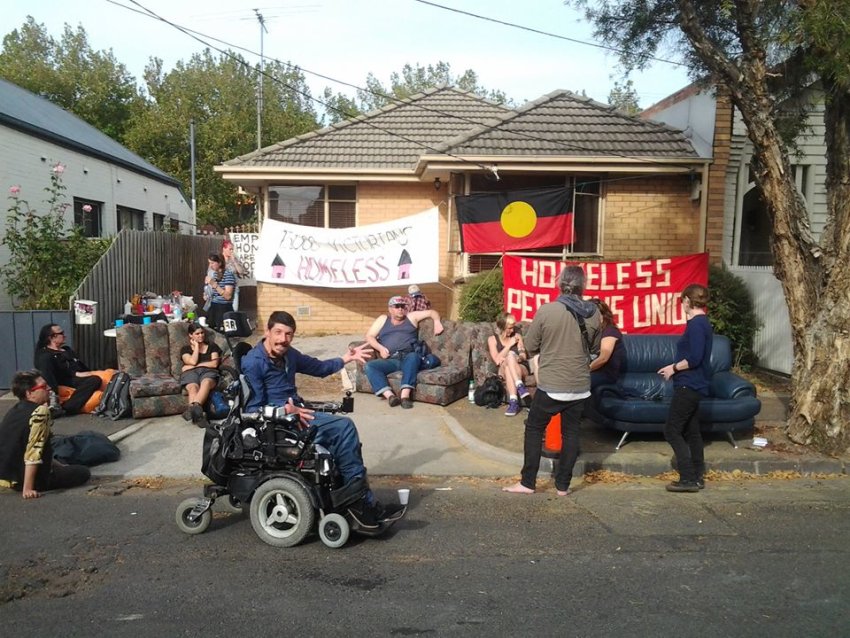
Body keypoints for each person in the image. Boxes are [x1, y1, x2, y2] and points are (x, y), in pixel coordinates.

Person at [240, 311, 401, 526]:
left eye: (288, 334)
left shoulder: (289, 354)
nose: (283, 339)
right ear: (267, 332)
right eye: (278, 332)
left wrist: (346, 358)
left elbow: (318, 368)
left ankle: (354, 499)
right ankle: (360, 503)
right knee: (344, 428)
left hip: (297, 414)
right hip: (278, 425)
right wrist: (286, 411)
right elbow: (252, 409)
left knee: (341, 434)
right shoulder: (253, 362)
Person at [503, 266, 601, 496]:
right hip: (580, 385)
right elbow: (595, 349)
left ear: (560, 284)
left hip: (553, 384)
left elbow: (531, 346)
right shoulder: (594, 312)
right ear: (582, 286)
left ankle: (528, 482)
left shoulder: (547, 310)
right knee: (572, 433)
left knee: (534, 428)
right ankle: (563, 486)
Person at [658, 284, 714, 493]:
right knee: (692, 431)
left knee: (672, 430)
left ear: (688, 301)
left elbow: (695, 358)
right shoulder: (700, 323)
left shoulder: (698, 325)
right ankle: (697, 475)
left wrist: (673, 368)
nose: (682, 304)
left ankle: (688, 478)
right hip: (695, 384)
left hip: (689, 384)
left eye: (683, 300)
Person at [0, 370, 90, 498]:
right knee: (83, 472)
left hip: (6, 476)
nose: (48, 389)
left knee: (62, 461)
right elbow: (34, 451)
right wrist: (28, 489)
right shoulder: (40, 412)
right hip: (25, 479)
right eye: (43, 387)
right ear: (29, 393)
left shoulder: (15, 410)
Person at [364, 296, 443, 409]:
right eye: (397, 306)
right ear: (390, 309)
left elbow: (432, 312)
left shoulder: (411, 317)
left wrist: (437, 321)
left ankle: (405, 396)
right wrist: (380, 348)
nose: (400, 309)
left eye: (403, 306)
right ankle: (390, 397)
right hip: (392, 359)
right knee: (370, 366)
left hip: (409, 357)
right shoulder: (383, 319)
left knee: (413, 356)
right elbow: (369, 336)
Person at [34, 324, 114, 416]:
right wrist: (76, 374)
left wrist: (91, 372)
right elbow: (49, 375)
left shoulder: (67, 350)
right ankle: (68, 408)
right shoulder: (46, 355)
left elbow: (81, 366)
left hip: (79, 378)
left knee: (110, 373)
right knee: (95, 379)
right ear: (52, 337)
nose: (65, 335)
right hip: (66, 381)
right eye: (61, 333)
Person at [487, 312, 531, 417]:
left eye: (513, 327)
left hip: (519, 366)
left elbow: (523, 355)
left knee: (509, 363)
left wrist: (518, 357)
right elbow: (497, 360)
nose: (512, 330)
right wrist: (510, 345)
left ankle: (513, 402)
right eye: (509, 328)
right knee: (510, 355)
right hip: (501, 368)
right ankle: (520, 386)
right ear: (502, 327)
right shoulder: (492, 340)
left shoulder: (517, 336)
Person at [179, 322, 222, 426]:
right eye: (197, 334)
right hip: (191, 373)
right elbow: (192, 361)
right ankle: (198, 417)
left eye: (202, 333)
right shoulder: (185, 349)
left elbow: (214, 364)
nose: (201, 335)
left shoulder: (212, 346)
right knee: (193, 388)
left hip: (208, 372)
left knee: (206, 382)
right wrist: (197, 347)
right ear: (191, 335)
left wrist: (197, 366)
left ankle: (194, 409)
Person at [589, 299, 625, 391]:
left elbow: (603, 358)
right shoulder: (591, 332)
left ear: (603, 316)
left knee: (578, 382)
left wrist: (583, 372)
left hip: (604, 374)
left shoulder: (610, 331)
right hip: (590, 371)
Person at [204, 253, 236, 330]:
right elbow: (215, 292)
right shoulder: (214, 274)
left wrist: (214, 285)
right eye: (209, 263)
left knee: (225, 335)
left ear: (220, 263)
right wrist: (207, 294)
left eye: (212, 263)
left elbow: (228, 296)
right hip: (213, 307)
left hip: (224, 308)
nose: (210, 266)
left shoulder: (228, 274)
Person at [221, 239, 247, 311]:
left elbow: (241, 271)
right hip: (221, 288)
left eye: (232, 249)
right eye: (230, 249)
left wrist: (234, 261)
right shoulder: (219, 259)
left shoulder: (235, 258)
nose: (232, 251)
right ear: (224, 249)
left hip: (234, 288)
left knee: (234, 310)